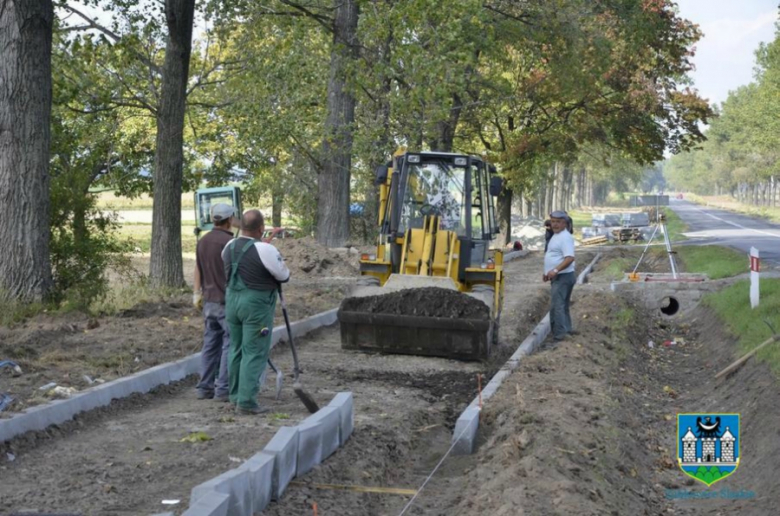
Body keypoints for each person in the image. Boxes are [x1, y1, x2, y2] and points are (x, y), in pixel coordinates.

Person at [222, 210, 291, 415]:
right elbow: (283, 275)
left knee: (236, 348)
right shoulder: (265, 249)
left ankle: (234, 396)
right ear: (261, 228)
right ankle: (246, 402)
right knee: (254, 351)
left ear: (241, 226)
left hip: (232, 302)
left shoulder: (228, 246)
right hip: (256, 305)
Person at [193, 203, 236, 401]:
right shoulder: (230, 243)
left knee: (210, 345)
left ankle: (204, 388)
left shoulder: (202, 241)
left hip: (208, 301)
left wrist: (196, 293)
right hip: (225, 302)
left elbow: (198, 269)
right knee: (229, 344)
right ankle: (223, 389)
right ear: (229, 220)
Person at [543, 210, 576, 342]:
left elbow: (569, 258)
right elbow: (553, 255)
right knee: (562, 304)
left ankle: (560, 336)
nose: (554, 224)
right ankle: (566, 329)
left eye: (558, 222)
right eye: (553, 221)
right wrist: (546, 272)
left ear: (564, 223)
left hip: (563, 276)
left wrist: (555, 270)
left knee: (558, 306)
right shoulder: (556, 236)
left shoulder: (565, 237)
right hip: (559, 276)